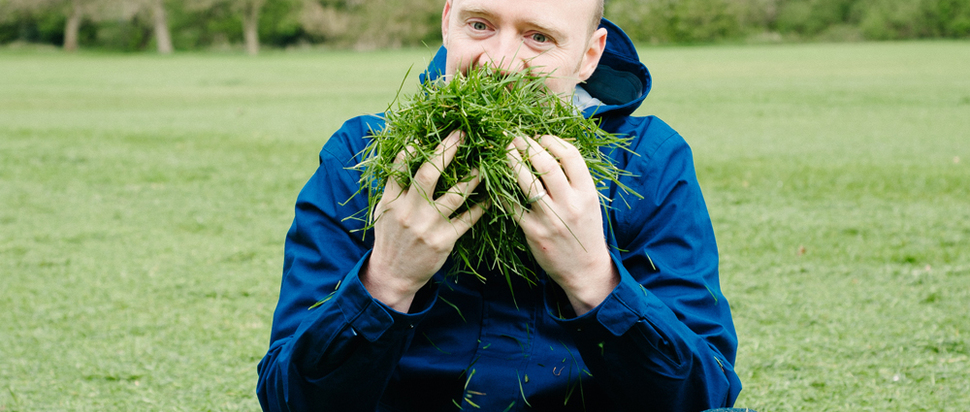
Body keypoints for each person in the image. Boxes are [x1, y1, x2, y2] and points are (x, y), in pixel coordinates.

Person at [257, 0, 743, 410]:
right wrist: (388, 280)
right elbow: (287, 397)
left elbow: (707, 394)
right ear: (448, 20)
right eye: (480, 25)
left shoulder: (649, 162)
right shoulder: (358, 155)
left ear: (589, 56)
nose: (500, 63)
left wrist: (593, 280)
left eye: (539, 38)